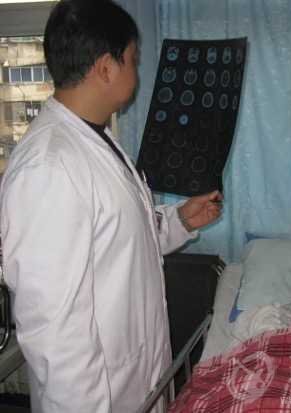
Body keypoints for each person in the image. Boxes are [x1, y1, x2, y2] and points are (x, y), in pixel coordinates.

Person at [0, 1, 222, 412]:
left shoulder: (96, 142)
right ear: (106, 67)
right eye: (133, 60)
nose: (137, 72)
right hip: (96, 398)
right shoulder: (49, 166)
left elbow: (117, 242)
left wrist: (180, 221)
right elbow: (55, 330)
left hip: (136, 377)